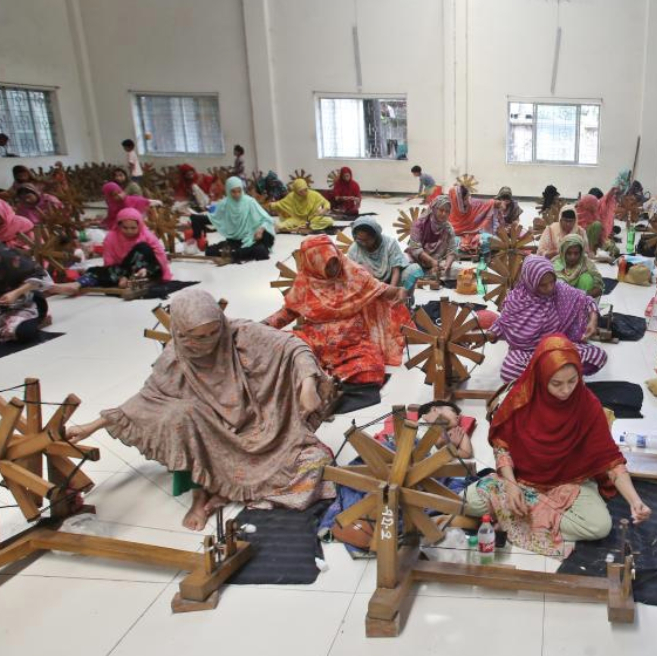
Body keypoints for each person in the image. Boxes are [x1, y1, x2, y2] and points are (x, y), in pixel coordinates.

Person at [65, 289, 335, 531]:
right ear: (181, 333)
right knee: (179, 416)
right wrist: (91, 426)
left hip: (267, 434)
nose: (209, 342)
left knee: (317, 461)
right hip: (215, 444)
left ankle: (234, 492)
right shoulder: (176, 357)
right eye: (198, 337)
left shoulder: (241, 333)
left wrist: (308, 385)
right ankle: (203, 494)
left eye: (213, 332)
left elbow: (294, 347)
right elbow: (146, 400)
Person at [462, 334, 651, 556]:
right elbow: (502, 446)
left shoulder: (587, 405)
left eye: (573, 381)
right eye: (556, 383)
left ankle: (510, 517)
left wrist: (635, 500)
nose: (566, 390)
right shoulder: (520, 400)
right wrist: (512, 485)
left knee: (600, 526)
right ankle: (529, 515)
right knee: (466, 502)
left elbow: (610, 460)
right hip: (521, 480)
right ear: (541, 378)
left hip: (569, 484)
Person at [264, 235, 409, 384]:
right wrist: (262, 326)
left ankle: (320, 378)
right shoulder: (304, 284)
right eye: (326, 265)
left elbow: (381, 290)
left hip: (352, 345)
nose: (334, 268)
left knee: (372, 371)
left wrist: (399, 292)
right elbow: (287, 313)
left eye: (334, 261)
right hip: (314, 343)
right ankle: (317, 376)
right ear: (312, 264)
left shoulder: (353, 273)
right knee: (279, 351)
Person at [489, 255, 605, 382]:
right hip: (525, 353)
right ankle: (554, 376)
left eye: (552, 282)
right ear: (530, 282)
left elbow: (586, 300)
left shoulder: (559, 290)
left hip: (554, 348)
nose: (550, 288)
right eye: (543, 285)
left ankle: (546, 378)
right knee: (509, 371)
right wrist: (491, 333)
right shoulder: (515, 300)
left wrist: (593, 320)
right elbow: (503, 322)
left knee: (597, 356)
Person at [67, 208, 172, 290]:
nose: (129, 231)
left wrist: (157, 273)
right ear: (118, 226)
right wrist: (118, 274)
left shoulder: (146, 236)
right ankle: (77, 284)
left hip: (145, 271)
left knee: (143, 248)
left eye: (133, 228)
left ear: (139, 226)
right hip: (121, 270)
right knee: (99, 272)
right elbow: (109, 261)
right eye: (125, 228)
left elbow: (160, 257)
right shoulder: (111, 238)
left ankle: (125, 278)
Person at [197, 176, 275, 263]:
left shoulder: (249, 202)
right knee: (210, 251)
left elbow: (267, 219)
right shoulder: (224, 204)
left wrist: (260, 230)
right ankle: (235, 254)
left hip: (249, 239)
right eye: (233, 192)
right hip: (233, 241)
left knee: (261, 251)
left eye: (239, 191)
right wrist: (195, 217)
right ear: (228, 191)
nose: (237, 194)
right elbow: (214, 217)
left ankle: (233, 255)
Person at [403, 195, 457, 290]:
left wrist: (446, 266)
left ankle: (426, 278)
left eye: (447, 211)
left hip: (437, 263)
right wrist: (432, 261)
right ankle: (425, 277)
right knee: (406, 264)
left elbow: (452, 251)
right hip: (417, 260)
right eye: (441, 210)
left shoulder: (448, 229)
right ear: (434, 209)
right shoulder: (419, 224)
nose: (444, 214)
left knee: (456, 270)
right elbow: (415, 248)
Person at [347, 216, 407, 287]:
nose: (364, 243)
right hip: (368, 287)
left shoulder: (390, 244)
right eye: (360, 240)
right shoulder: (354, 249)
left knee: (413, 270)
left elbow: (396, 271)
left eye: (367, 240)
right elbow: (351, 275)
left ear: (375, 236)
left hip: (391, 282)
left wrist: (392, 290)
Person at [448, 184, 497, 255]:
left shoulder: (473, 204)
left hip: (475, 237)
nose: (468, 201)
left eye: (468, 197)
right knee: (452, 242)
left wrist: (496, 202)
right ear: (457, 201)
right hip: (458, 239)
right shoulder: (447, 211)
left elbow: (488, 204)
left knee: (489, 239)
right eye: (465, 199)